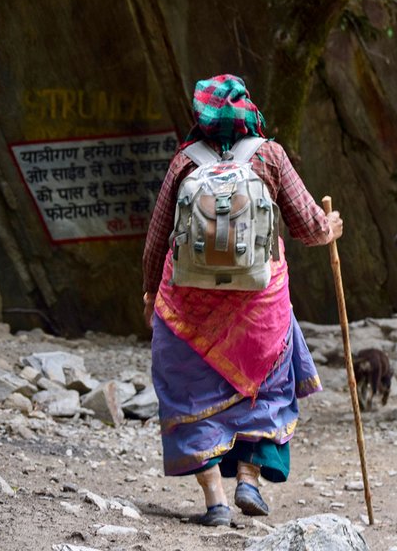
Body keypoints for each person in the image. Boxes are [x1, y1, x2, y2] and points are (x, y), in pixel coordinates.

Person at [141, 74, 343, 526]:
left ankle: (215, 500)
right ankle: (249, 478)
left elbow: (157, 240)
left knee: (190, 394)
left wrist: (151, 292)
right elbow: (310, 228)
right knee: (265, 390)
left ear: (203, 117)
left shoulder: (184, 162)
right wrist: (332, 225)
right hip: (260, 306)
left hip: (189, 307)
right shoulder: (269, 155)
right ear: (250, 111)